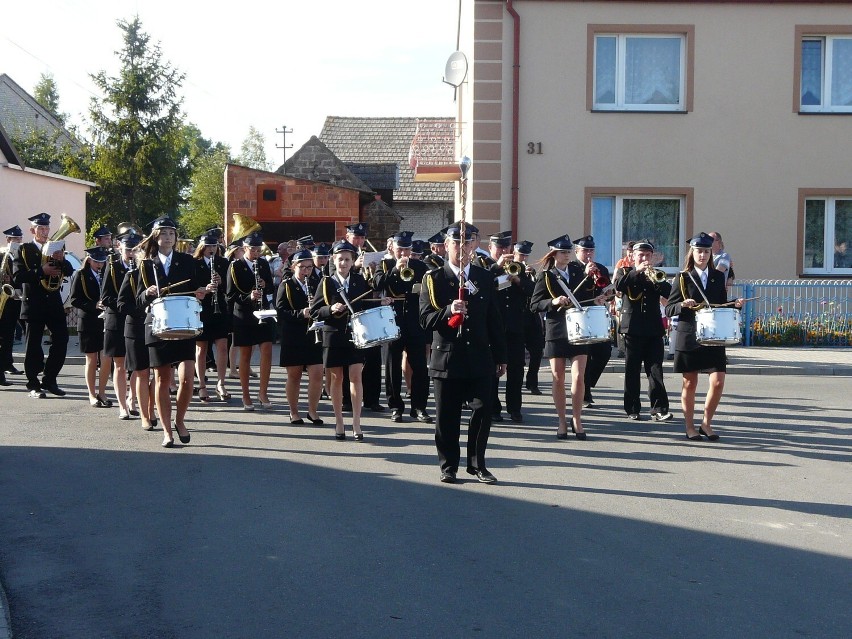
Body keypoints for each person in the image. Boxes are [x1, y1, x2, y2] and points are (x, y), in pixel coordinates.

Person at [419, 223, 507, 484]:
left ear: (475, 245)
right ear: (446, 246)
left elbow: (494, 318)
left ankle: (477, 464)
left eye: (468, 243)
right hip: (447, 357)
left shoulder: (484, 277)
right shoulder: (434, 278)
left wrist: (501, 356)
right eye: (456, 243)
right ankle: (449, 466)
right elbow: (424, 319)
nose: (462, 248)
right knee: (447, 417)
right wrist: (448, 310)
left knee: (482, 410)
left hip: (479, 356)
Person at [136, 216, 209, 447]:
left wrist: (201, 291)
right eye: (164, 233)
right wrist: (147, 293)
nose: (168, 237)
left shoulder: (187, 261)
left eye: (172, 233)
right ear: (156, 237)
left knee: (187, 378)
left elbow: (198, 286)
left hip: (184, 326)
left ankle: (180, 420)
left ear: (176, 238)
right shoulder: (146, 265)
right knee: (162, 379)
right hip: (157, 326)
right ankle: (167, 430)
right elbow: (137, 299)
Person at [310, 240, 392, 441]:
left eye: (347, 259)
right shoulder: (327, 282)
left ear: (353, 260)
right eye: (340, 259)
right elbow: (315, 312)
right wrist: (331, 309)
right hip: (333, 335)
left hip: (355, 335)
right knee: (337, 378)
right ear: (333, 260)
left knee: (356, 376)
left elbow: (363, 306)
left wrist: (380, 302)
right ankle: (339, 421)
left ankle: (356, 421)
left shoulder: (358, 281)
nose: (343, 263)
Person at [665, 232, 743, 441]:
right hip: (689, 335)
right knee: (690, 383)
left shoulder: (718, 277)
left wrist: (735, 305)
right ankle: (689, 426)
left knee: (718, 381)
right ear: (693, 252)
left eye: (707, 251)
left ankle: (706, 423)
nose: (703, 255)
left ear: (711, 253)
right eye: (699, 251)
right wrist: (682, 304)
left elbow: (721, 305)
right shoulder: (682, 277)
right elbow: (669, 309)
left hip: (714, 336)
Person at [530, 234, 589, 440]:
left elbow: (586, 297)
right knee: (558, 378)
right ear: (554, 254)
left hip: (578, 329)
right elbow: (535, 304)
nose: (567, 255)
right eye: (563, 252)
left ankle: (577, 418)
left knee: (579, 376)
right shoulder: (545, 276)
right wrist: (553, 302)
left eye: (568, 252)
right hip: (556, 330)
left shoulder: (577, 271)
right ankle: (562, 420)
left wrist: (599, 295)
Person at [372, 231, 432, 423]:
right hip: (392, 319)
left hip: (414, 319)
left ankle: (419, 406)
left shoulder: (420, 266)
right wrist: (395, 270)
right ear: (392, 248)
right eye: (401, 249)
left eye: (407, 249)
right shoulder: (384, 264)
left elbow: (427, 289)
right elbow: (376, 283)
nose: (404, 253)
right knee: (392, 367)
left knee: (420, 367)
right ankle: (395, 406)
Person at [13, 213, 74, 398]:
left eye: (47, 228)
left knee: (62, 339)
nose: (45, 232)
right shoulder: (24, 250)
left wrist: (62, 261)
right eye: (41, 228)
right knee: (33, 345)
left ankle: (50, 379)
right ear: (33, 230)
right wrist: (41, 270)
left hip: (53, 302)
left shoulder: (56, 247)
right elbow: (17, 277)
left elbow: (69, 271)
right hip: (33, 303)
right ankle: (33, 383)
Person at [614, 240, 674, 422]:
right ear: (632, 256)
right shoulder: (624, 272)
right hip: (632, 328)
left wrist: (655, 277)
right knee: (632, 370)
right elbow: (619, 286)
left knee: (655, 370)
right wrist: (637, 271)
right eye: (641, 255)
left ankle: (659, 408)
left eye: (648, 256)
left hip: (653, 328)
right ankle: (632, 408)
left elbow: (668, 293)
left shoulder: (657, 274)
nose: (645, 259)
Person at [226, 232, 276, 411]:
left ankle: (263, 392)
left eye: (258, 249)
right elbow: (230, 294)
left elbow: (271, 286)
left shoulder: (262, 263)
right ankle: (245, 394)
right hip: (244, 315)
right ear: (244, 249)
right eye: (253, 249)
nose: (256, 252)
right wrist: (249, 296)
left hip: (263, 312)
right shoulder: (235, 266)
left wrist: (264, 285)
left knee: (267, 349)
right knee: (246, 354)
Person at [275, 249, 324, 425]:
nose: (306, 271)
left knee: (317, 373)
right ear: (294, 266)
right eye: (302, 267)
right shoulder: (286, 285)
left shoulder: (318, 284)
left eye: (309, 268)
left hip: (313, 334)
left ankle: (313, 411)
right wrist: (300, 313)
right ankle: (293, 411)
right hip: (293, 335)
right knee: (294, 375)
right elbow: (281, 312)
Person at [116, 233, 157, 431]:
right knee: (141, 373)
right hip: (135, 329)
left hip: (156, 328)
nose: (149, 257)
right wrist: (143, 307)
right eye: (146, 253)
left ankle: (151, 407)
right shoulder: (131, 275)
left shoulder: (160, 275)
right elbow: (122, 304)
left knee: (158, 373)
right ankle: (144, 415)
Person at [70, 246, 114, 409]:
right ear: (89, 260)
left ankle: (102, 392)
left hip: (105, 321)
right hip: (88, 320)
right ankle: (91, 393)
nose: (99, 265)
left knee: (105, 359)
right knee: (91, 359)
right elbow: (75, 300)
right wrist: (93, 305)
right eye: (96, 261)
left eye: (102, 262)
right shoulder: (80, 275)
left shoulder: (107, 274)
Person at [101, 231, 138, 418]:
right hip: (116, 319)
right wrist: (124, 306)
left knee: (137, 365)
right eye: (128, 249)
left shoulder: (142, 266)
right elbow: (105, 296)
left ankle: (132, 398)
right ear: (120, 248)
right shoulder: (112, 267)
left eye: (134, 249)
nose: (131, 253)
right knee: (120, 364)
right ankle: (122, 405)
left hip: (135, 321)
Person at [573, 236, 612, 408]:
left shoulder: (600, 268)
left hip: (597, 315)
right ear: (577, 252)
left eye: (591, 250)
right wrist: (585, 274)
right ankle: (585, 393)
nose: (589, 254)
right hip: (579, 316)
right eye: (585, 251)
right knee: (585, 354)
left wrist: (607, 296)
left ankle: (587, 385)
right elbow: (573, 293)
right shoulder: (573, 269)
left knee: (604, 352)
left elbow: (609, 291)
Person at [193, 232, 230, 402]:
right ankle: (201, 385)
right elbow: (191, 287)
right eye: (208, 246)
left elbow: (230, 289)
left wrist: (221, 282)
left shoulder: (224, 263)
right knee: (201, 349)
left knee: (222, 346)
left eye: (214, 246)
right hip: (202, 309)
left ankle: (221, 383)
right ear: (202, 247)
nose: (211, 249)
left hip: (219, 308)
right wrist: (205, 288)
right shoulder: (195, 264)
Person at [514, 241, 544, 395]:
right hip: (517, 316)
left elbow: (535, 292)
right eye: (521, 255)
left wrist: (529, 278)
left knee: (537, 350)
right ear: (515, 254)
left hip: (531, 316)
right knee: (518, 356)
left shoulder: (530, 273)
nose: (524, 258)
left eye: (526, 255)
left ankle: (532, 381)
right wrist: (521, 280)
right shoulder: (511, 270)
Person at [0, 225, 24, 386]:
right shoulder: (2, 255)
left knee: (8, 336)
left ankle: (8, 364)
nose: (18, 241)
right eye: (15, 239)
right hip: (3, 301)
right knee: (3, 337)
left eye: (19, 239)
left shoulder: (20, 256)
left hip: (15, 299)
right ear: (8, 240)